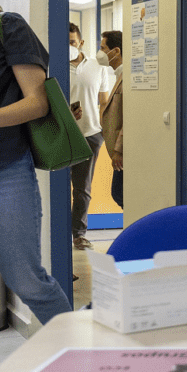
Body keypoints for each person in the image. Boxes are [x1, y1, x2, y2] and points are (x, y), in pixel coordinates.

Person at [0, 0, 72, 325]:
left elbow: (37, 103)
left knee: (26, 281)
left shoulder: (7, 27)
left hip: (2, 171)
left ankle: (78, 359)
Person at [69, 22, 109, 251]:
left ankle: (79, 234)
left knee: (82, 189)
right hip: (62, 135)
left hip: (91, 134)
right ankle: (55, 232)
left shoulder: (97, 66)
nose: (70, 48)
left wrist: (103, 132)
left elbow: (104, 102)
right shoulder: (54, 66)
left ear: (81, 43)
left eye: (73, 43)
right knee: (56, 188)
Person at [99, 30, 124, 208]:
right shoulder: (119, 76)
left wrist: (119, 150)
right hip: (119, 150)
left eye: (103, 48)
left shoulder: (127, 78)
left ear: (115, 51)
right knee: (119, 194)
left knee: (120, 194)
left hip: (124, 152)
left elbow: (130, 118)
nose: (100, 53)